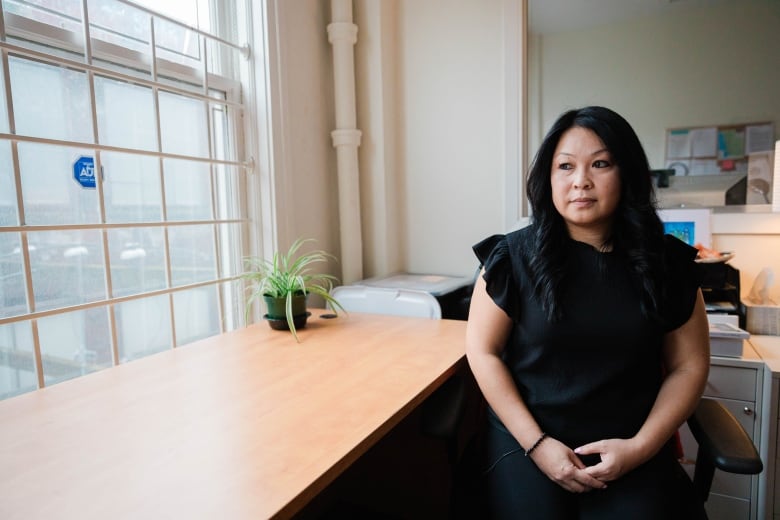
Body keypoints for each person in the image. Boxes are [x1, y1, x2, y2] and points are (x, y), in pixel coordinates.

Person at [465, 106, 710, 519]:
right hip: (527, 440)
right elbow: (482, 351)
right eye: (565, 166)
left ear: (626, 173)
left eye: (600, 164)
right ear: (548, 176)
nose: (580, 181)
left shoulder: (667, 264)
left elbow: (689, 365)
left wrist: (640, 449)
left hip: (631, 444)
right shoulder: (512, 257)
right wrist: (538, 445)